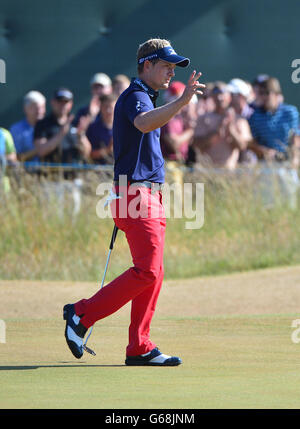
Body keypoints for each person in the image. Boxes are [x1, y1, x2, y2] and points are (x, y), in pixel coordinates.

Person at [63, 37, 205, 365]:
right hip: (135, 194)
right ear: (146, 65)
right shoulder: (136, 95)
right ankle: (81, 315)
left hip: (147, 194)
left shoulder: (147, 96)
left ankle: (139, 346)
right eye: (166, 65)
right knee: (148, 271)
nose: (171, 72)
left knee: (153, 271)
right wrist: (182, 103)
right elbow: (143, 124)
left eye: (174, 67)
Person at [34, 88, 91, 216]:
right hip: (50, 182)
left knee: (73, 218)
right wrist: (61, 134)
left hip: (72, 181)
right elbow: (42, 150)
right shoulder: (43, 124)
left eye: (66, 102)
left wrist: (81, 135)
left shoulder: (75, 125)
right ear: (53, 102)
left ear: (70, 104)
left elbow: (86, 152)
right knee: (51, 217)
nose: (63, 105)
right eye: (60, 101)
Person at [192, 81, 252, 170]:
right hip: (207, 172)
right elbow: (197, 144)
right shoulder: (203, 119)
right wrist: (216, 132)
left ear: (229, 96)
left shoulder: (239, 120)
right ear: (212, 97)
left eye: (223, 94)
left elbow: (243, 146)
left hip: (230, 172)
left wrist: (231, 130)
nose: (220, 98)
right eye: (216, 94)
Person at [10, 91, 46, 166]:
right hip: (24, 174)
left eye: (42, 107)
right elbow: (16, 158)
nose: (39, 111)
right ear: (26, 109)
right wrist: (42, 148)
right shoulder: (16, 129)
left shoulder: (50, 126)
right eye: (35, 107)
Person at [87, 93, 117, 165]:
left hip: (121, 172)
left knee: (123, 176)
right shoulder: (93, 128)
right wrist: (108, 150)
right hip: (99, 172)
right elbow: (89, 154)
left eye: (111, 107)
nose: (108, 111)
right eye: (105, 107)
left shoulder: (125, 127)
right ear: (100, 108)